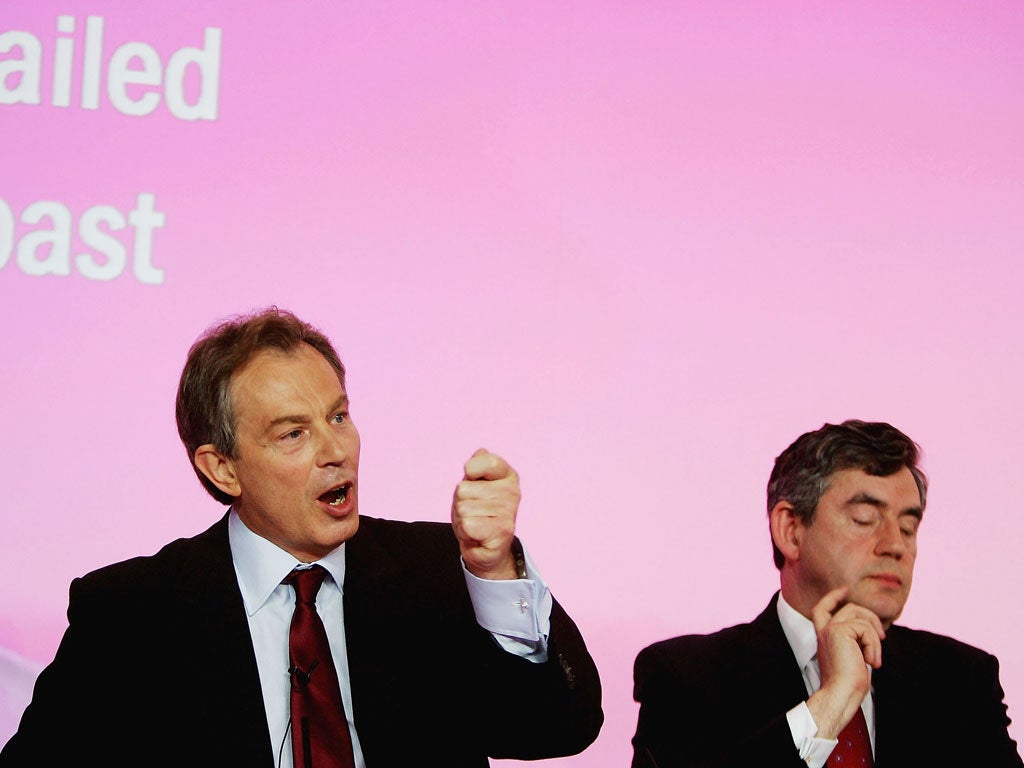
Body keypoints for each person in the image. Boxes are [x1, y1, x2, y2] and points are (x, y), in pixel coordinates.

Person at [2, 308, 602, 767]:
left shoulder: (437, 572)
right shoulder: (130, 615)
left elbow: (558, 726)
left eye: (338, 416)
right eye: (293, 434)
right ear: (223, 468)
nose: (336, 450)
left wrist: (494, 574)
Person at [631, 420, 1022, 767]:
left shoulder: (961, 681)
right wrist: (831, 704)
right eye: (865, 519)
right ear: (790, 530)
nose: (895, 545)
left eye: (908, 527)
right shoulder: (685, 677)